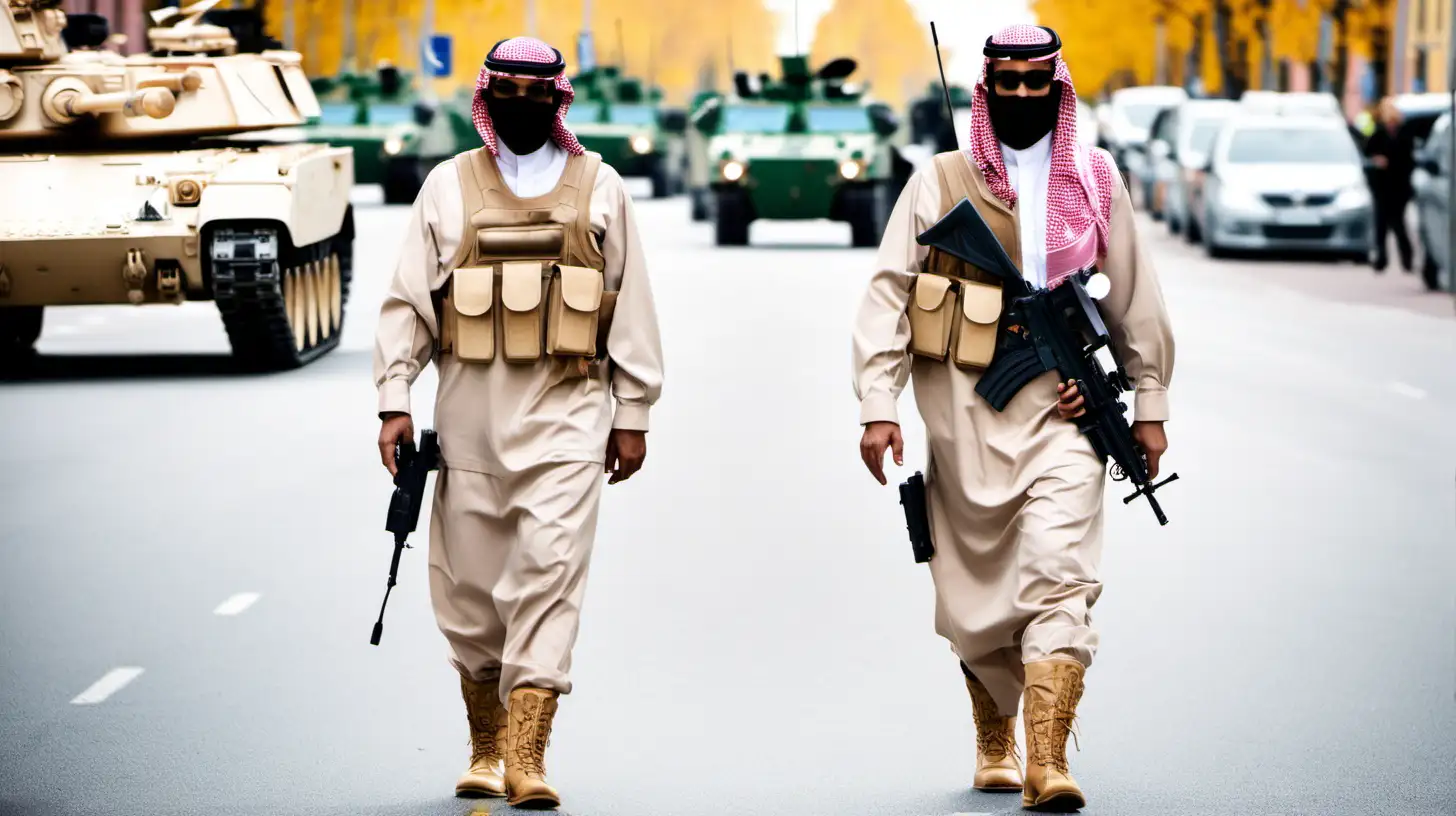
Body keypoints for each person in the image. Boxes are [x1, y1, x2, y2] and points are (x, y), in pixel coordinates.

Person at [851, 24, 1175, 811]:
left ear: (1057, 91)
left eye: (1038, 84)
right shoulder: (942, 179)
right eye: (1009, 83)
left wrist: (1150, 403)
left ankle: (1048, 761)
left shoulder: (1095, 179)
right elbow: (890, 293)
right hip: (964, 416)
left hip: (1064, 415)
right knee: (978, 588)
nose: (1023, 96)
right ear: (987, 88)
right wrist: (877, 403)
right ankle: (993, 740)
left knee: (1059, 579)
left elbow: (1134, 296)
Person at [372, 36, 664, 809]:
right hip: (468, 431)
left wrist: (631, 412)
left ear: (560, 99)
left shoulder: (600, 188)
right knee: (467, 598)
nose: (524, 106)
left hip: (567, 425)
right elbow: (408, 304)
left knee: (547, 577)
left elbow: (629, 308)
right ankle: (485, 745)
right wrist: (394, 398)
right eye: (510, 91)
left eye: (541, 94)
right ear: (487, 95)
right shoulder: (448, 186)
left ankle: (529, 758)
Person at [1364, 97, 1417, 273]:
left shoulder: (1405, 134)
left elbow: (1409, 160)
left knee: (1398, 224)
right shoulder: (1378, 133)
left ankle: (1407, 259)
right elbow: (1367, 153)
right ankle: (1381, 259)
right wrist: (1376, 160)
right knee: (1381, 225)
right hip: (1382, 186)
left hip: (1399, 186)